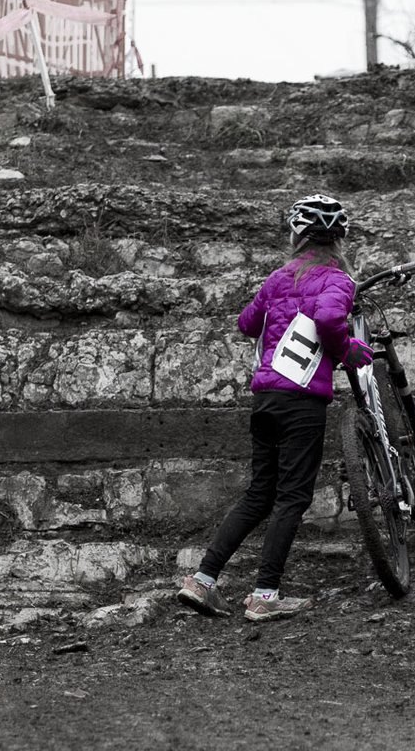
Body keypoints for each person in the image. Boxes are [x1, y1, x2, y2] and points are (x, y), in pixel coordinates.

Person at [176, 193, 374, 622]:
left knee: (258, 494)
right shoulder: (338, 281)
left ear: (296, 237)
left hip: (265, 397)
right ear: (340, 241)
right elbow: (327, 320)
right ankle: (266, 595)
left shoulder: (278, 278)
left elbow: (247, 322)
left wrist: (278, 304)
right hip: (302, 400)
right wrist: (349, 350)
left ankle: (202, 581)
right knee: (292, 497)